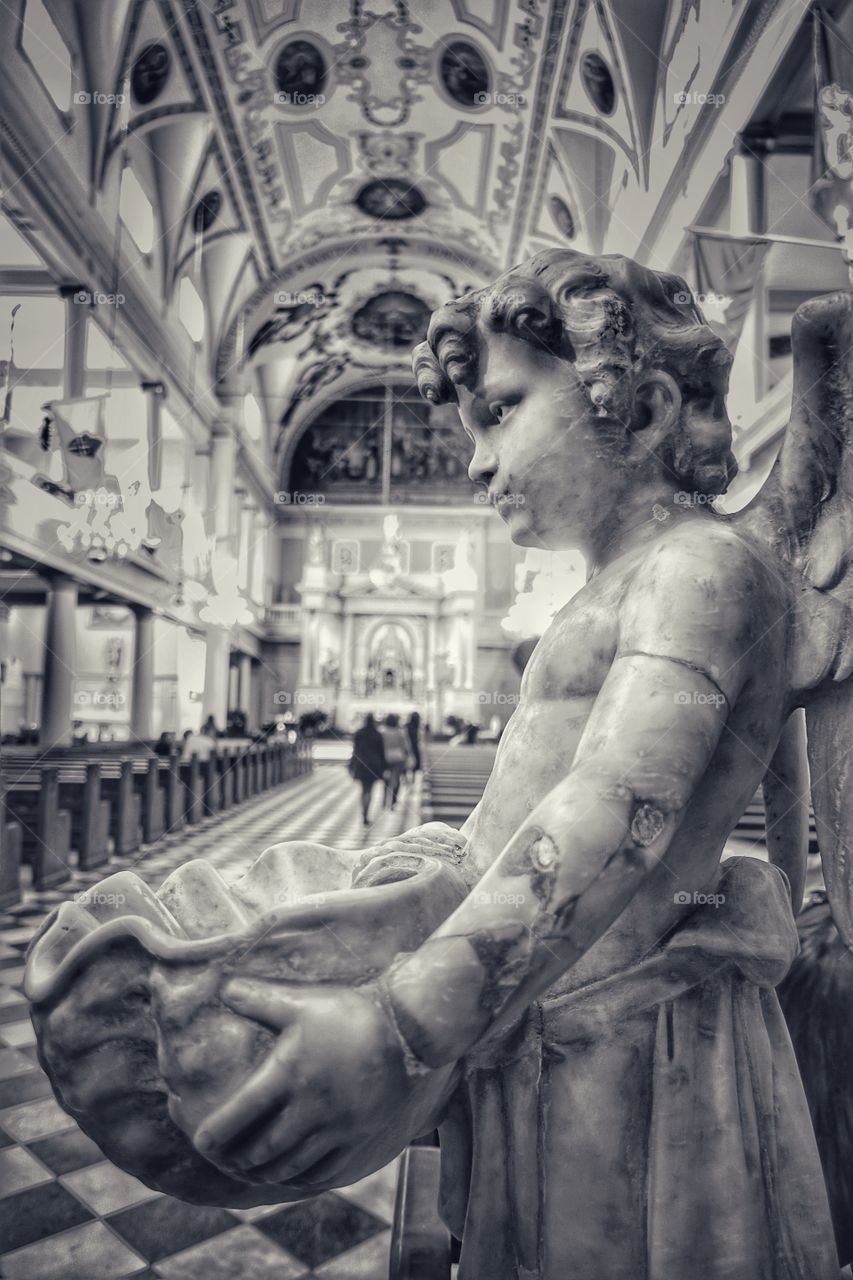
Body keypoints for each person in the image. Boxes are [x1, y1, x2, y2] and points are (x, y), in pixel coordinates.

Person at [192, 251, 846, 1278]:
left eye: (499, 413)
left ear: (641, 409)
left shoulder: (700, 566)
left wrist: (407, 1020)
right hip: (541, 1007)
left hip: (628, 1036)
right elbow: (743, 779)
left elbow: (621, 804)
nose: (476, 462)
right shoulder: (618, 585)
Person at [348, 712, 386, 825]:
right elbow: (381, 752)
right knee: (369, 790)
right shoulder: (377, 734)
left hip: (361, 764)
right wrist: (384, 767)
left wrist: (351, 765)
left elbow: (355, 751)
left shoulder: (359, 733)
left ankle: (363, 812)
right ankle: (366, 812)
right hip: (374, 764)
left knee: (364, 789)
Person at [379, 712, 410, 809]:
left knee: (386, 780)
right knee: (396, 779)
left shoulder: (382, 732)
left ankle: (384, 800)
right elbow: (405, 747)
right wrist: (407, 757)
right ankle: (393, 801)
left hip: (386, 757)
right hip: (398, 758)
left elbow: (379, 746)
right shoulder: (400, 732)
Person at [405, 710, 422, 776]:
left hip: (407, 747)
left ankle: (407, 778)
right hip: (414, 748)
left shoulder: (407, 726)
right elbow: (417, 740)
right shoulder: (416, 727)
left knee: (407, 765)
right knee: (415, 765)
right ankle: (412, 778)